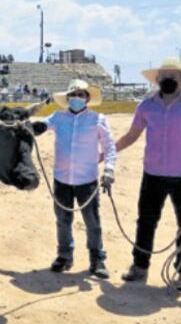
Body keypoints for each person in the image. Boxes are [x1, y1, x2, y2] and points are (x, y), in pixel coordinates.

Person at [113, 58, 181, 291]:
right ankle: (139, 266)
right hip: (153, 174)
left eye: (174, 76)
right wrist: (106, 152)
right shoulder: (146, 106)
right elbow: (132, 135)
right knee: (146, 222)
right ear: (157, 80)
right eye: (164, 76)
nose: (169, 80)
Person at [32, 79, 116, 279]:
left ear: (87, 98)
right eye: (73, 95)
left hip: (87, 179)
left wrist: (109, 170)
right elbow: (40, 126)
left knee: (92, 222)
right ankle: (64, 256)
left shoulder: (98, 119)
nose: (77, 98)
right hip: (62, 178)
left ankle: (97, 260)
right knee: (63, 220)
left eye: (81, 94)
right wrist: (27, 124)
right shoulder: (58, 117)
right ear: (67, 98)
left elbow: (110, 147)